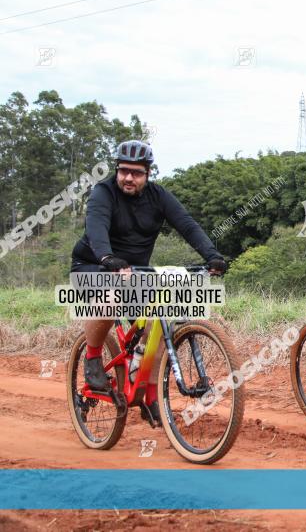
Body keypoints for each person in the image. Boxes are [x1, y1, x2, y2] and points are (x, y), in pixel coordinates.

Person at [71, 140, 227, 422]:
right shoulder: (103, 193)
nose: (129, 177)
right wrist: (107, 258)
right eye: (124, 171)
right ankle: (92, 358)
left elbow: (187, 225)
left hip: (135, 272)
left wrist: (212, 255)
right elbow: (96, 227)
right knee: (110, 300)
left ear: (148, 174)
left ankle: (149, 394)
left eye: (137, 173)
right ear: (117, 170)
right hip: (93, 264)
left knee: (157, 323)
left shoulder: (159, 196)